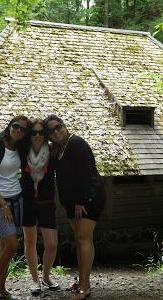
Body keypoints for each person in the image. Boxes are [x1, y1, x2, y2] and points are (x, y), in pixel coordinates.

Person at [44, 115, 105, 300]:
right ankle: (82, 282)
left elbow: (86, 172)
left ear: (64, 126)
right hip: (72, 202)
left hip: (87, 199)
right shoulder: (59, 149)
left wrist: (80, 201)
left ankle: (84, 288)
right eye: (51, 130)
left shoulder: (76, 143)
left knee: (82, 238)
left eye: (58, 127)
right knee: (83, 240)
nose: (56, 131)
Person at [0, 115, 31, 300]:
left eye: (22, 129)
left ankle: (2, 287)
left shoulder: (18, 147)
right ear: (9, 126)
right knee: (12, 244)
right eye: (15, 126)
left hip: (16, 199)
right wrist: (3, 204)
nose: (18, 130)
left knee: (6, 244)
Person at [20, 118, 60, 296]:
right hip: (27, 202)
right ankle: (35, 279)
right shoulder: (22, 152)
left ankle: (46, 276)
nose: (37, 135)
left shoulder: (52, 152)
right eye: (34, 132)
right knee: (30, 241)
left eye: (41, 132)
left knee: (52, 244)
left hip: (47, 202)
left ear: (46, 136)